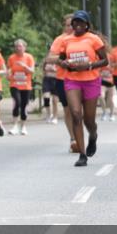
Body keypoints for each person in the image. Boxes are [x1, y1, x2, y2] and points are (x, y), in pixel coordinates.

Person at [56, 10, 107, 167]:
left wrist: (89, 65)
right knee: (76, 114)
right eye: (75, 22)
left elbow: (105, 60)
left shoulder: (94, 39)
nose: (77, 25)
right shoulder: (66, 40)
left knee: (89, 120)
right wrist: (63, 63)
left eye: (81, 22)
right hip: (72, 80)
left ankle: (93, 135)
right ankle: (82, 154)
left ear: (86, 25)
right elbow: (60, 59)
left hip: (91, 80)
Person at [44, 14, 77, 153]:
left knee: (78, 110)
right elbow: (49, 58)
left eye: (73, 25)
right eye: (68, 25)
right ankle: (73, 139)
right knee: (68, 110)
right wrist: (61, 59)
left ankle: (80, 136)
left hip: (81, 79)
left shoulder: (84, 38)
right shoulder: (60, 39)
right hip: (63, 79)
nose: (71, 28)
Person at [7, 39, 34, 135]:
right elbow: (9, 71)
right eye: (17, 46)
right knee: (17, 103)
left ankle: (23, 126)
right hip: (15, 85)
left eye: (20, 46)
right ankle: (14, 126)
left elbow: (32, 71)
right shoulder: (11, 58)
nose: (18, 48)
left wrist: (24, 66)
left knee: (24, 106)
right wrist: (8, 74)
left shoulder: (29, 57)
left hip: (26, 86)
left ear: (24, 47)